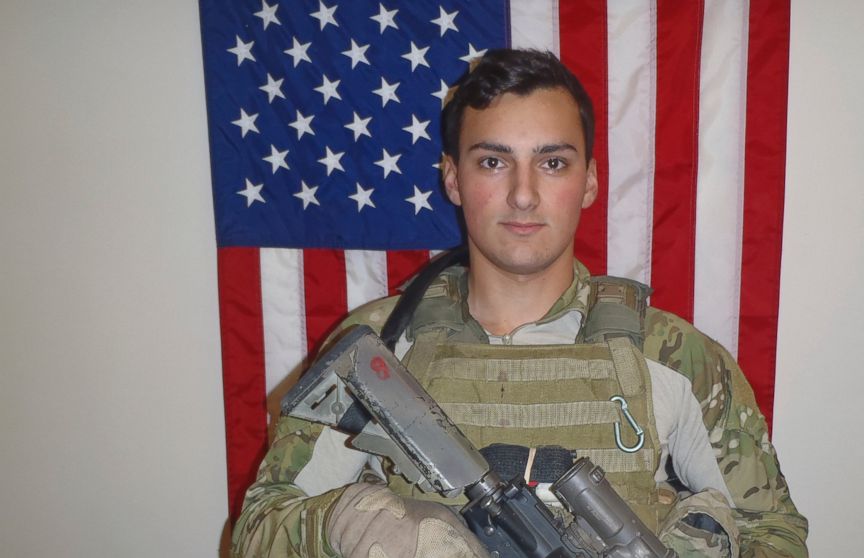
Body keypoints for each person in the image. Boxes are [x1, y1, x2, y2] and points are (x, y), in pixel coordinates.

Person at [232, 49, 808, 558]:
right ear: (453, 179)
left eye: (552, 163)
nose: (524, 194)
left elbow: (775, 533)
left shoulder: (672, 354)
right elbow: (255, 531)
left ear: (589, 181)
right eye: (493, 161)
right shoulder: (378, 349)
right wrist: (355, 521)